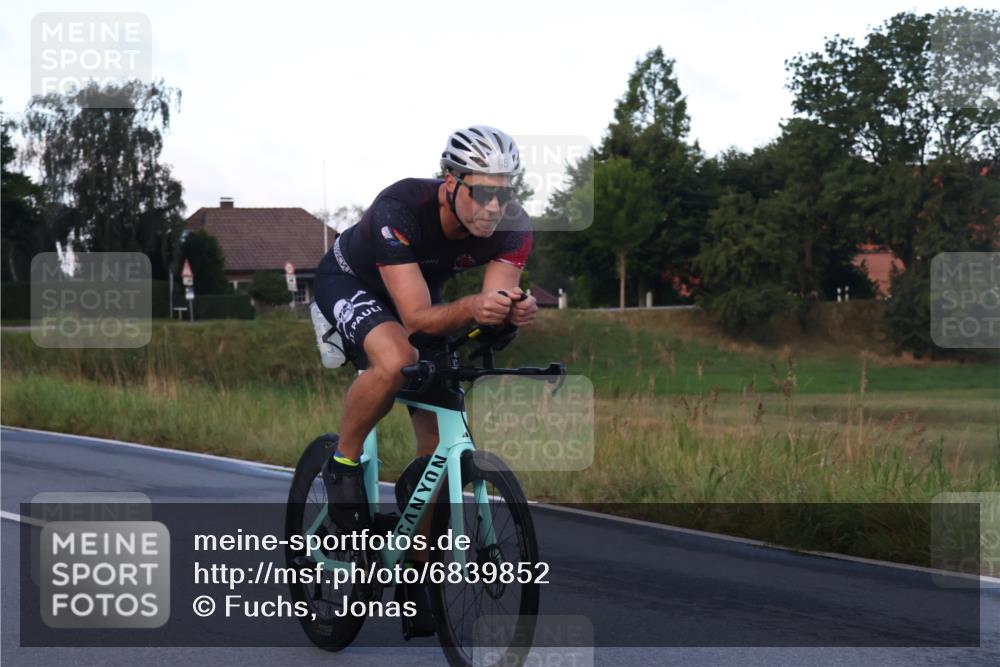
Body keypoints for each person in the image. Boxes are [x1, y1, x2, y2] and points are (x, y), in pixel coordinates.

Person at [313, 124, 537, 528]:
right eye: (482, 193)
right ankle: (343, 462)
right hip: (352, 282)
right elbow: (416, 318)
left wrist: (509, 315)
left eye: (504, 194)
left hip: (417, 289)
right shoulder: (399, 208)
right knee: (397, 358)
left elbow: (491, 309)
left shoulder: (514, 228)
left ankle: (417, 562)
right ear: (450, 182)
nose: (494, 207)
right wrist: (474, 306)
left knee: (439, 438)